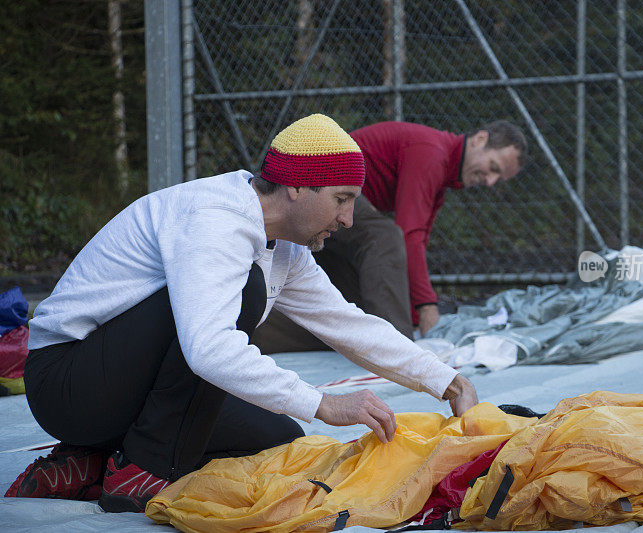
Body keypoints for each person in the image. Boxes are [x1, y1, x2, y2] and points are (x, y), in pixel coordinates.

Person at [5, 114, 478, 513]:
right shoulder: (215, 219)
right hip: (66, 383)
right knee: (244, 296)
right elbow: (208, 349)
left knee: (276, 435)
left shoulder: (286, 250)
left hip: (113, 386)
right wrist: (324, 403)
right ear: (297, 187)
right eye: (342, 199)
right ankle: (138, 471)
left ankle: (88, 462)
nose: (348, 219)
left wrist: (447, 381)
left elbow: (346, 322)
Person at [253, 120, 527, 353]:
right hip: (327, 188)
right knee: (384, 236)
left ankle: (255, 331)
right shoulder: (432, 152)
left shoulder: (442, 172)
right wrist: (426, 307)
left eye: (498, 179)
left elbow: (413, 247)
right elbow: (408, 236)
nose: (490, 181)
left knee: (353, 307)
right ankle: (397, 351)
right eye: (493, 167)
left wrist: (416, 313)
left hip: (344, 215)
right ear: (480, 139)